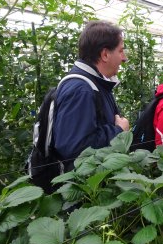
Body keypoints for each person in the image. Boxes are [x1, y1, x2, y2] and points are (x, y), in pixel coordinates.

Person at [53, 20, 129, 171]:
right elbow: (75, 148)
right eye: (120, 51)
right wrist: (119, 131)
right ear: (105, 54)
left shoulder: (95, 83)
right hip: (84, 187)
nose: (124, 57)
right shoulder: (81, 90)